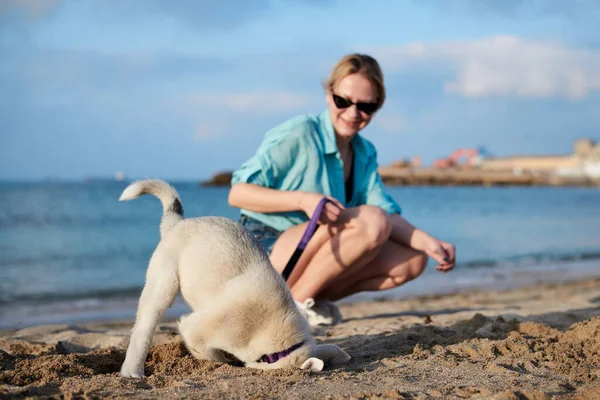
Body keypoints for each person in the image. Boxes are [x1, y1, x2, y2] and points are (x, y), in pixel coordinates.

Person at [228, 53, 456, 326]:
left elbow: (384, 211)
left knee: (413, 260)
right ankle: (296, 307)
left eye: (365, 106)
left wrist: (430, 242)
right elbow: (237, 193)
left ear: (377, 106)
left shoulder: (364, 151)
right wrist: (303, 200)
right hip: (265, 249)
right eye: (343, 101)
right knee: (371, 222)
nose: (352, 113)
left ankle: (307, 299)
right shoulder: (300, 132)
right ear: (329, 94)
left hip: (313, 251)